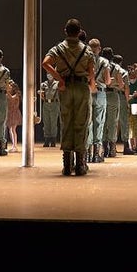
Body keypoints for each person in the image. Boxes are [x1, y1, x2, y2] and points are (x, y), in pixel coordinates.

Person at [41, 18, 97, 176]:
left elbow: (45, 63)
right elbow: (91, 72)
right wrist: (90, 84)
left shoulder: (58, 49)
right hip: (81, 87)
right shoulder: (86, 50)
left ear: (65, 31)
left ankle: (67, 164)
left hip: (65, 87)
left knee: (66, 122)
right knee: (82, 122)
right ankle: (80, 164)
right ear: (79, 32)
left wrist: (59, 79)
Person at [38, 71, 60, 147]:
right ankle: (47, 139)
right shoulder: (43, 84)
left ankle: (53, 140)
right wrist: (41, 94)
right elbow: (42, 95)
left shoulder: (57, 84)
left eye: (50, 74)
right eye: (48, 74)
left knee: (53, 122)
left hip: (54, 103)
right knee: (46, 122)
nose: (49, 75)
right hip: (46, 103)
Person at [6, 79, 22, 152]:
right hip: (10, 113)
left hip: (14, 113)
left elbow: (12, 100)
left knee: (13, 129)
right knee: (10, 130)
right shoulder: (8, 94)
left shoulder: (16, 95)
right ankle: (13, 145)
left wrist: (7, 92)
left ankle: (15, 146)